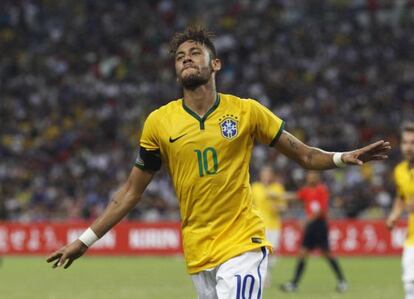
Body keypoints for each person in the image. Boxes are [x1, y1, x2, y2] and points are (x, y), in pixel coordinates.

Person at [46, 26, 391, 299]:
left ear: (215, 64)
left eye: (195, 53)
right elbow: (129, 193)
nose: (186, 59)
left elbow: (304, 155)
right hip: (198, 252)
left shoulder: (246, 111)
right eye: (180, 56)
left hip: (243, 244)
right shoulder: (159, 123)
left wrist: (344, 158)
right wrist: (85, 240)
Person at [280, 171, 347, 293]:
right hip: (311, 226)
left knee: (327, 253)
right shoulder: (306, 190)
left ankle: (342, 281)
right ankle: (294, 284)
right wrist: (279, 195)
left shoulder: (321, 190)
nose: (310, 177)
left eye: (313, 176)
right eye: (309, 175)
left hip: (319, 225)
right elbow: (296, 196)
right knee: (302, 253)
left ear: (317, 178)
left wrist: (306, 221)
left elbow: (321, 210)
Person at [386, 122, 414, 299]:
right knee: (409, 282)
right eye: (405, 142)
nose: (408, 147)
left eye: (413, 142)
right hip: (412, 236)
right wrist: (394, 215)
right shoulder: (399, 171)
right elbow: (401, 197)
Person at [252, 166, 287, 287]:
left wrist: (277, 207)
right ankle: (263, 277)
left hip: (274, 225)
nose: (266, 177)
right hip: (259, 226)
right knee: (261, 252)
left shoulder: (277, 188)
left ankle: (267, 272)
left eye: (268, 174)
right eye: (264, 174)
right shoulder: (255, 187)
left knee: (273, 253)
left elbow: (284, 207)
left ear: (271, 176)